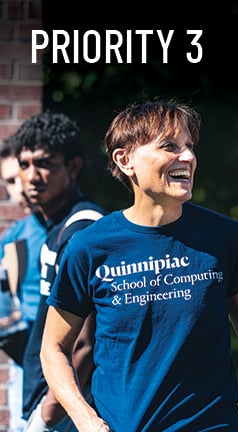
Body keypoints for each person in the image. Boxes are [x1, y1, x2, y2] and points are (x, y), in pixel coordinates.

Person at [39, 100, 238, 432]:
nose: (188, 157)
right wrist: (85, 418)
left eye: (189, 146)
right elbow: (53, 348)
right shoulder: (90, 247)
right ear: (125, 160)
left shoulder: (224, 237)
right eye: (169, 147)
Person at [11, 112, 106, 432]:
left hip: (66, 410)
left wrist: (45, 417)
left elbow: (85, 343)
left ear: (73, 167)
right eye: (24, 165)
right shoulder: (56, 228)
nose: (32, 176)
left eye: (45, 163)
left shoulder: (82, 230)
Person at [0, 138, 46, 432]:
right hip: (26, 365)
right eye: (9, 181)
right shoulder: (12, 238)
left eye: (21, 177)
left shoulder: (75, 224)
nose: (20, 188)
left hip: (73, 362)